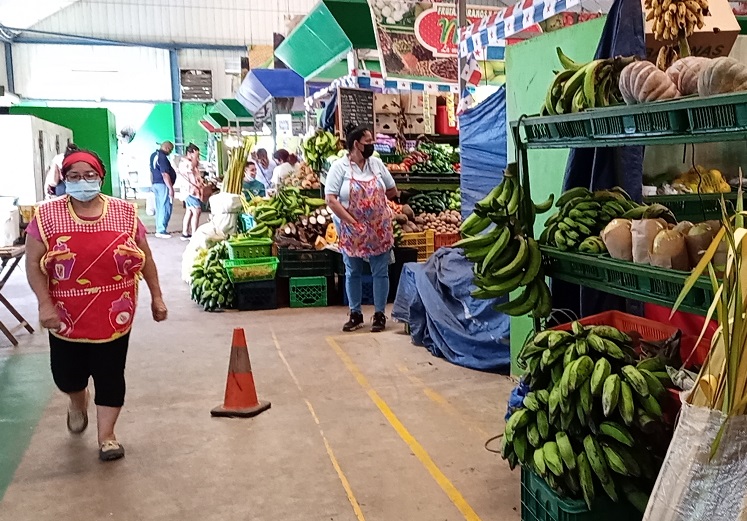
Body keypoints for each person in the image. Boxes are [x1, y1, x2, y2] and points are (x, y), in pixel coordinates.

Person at [25, 146, 167, 462]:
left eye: (89, 175)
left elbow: (145, 258)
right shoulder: (46, 216)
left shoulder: (124, 213)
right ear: (64, 179)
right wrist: (44, 305)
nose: (82, 181)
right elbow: (33, 263)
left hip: (114, 312)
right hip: (65, 315)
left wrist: (156, 296)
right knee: (66, 376)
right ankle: (77, 402)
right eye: (74, 176)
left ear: (100, 177)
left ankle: (107, 437)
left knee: (110, 373)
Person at [325, 126, 398, 333]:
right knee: (353, 271)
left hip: (378, 228)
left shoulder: (376, 164)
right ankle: (355, 313)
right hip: (351, 228)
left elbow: (392, 190)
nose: (372, 145)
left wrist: (382, 208)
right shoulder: (339, 168)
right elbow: (331, 199)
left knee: (380, 271)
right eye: (368, 141)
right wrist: (352, 222)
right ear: (356, 144)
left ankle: (380, 314)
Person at [149, 141, 177, 239]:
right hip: (163, 185)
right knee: (165, 206)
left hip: (156, 184)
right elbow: (165, 174)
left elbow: (151, 172)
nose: (170, 151)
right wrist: (170, 188)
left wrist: (152, 184)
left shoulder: (153, 156)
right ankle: (161, 230)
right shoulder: (162, 157)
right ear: (167, 147)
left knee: (159, 207)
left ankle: (159, 228)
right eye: (170, 149)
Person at [178, 143, 204, 241]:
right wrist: (195, 158)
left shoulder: (190, 162)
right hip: (189, 191)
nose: (197, 157)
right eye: (195, 154)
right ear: (189, 153)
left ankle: (185, 233)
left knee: (189, 211)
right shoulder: (185, 163)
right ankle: (194, 234)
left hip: (192, 190)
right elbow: (191, 168)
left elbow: (196, 167)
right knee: (197, 211)